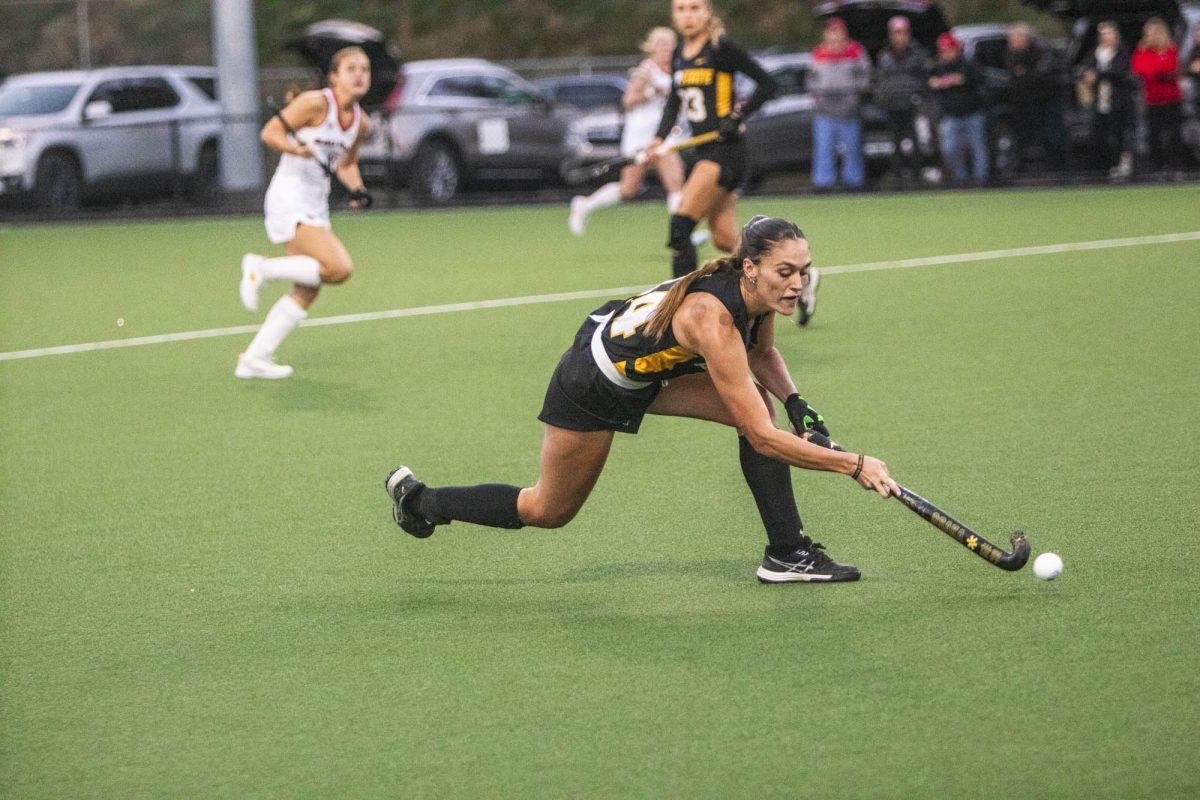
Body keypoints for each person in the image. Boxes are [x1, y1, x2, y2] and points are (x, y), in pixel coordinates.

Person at [384, 216, 901, 584]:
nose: (796, 284)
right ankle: (421, 501)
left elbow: (763, 358)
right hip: (592, 383)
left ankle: (787, 553)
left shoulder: (759, 297)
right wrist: (851, 464)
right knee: (547, 508)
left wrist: (797, 404)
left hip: (647, 367)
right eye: (784, 272)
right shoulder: (713, 320)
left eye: (803, 270)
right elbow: (765, 441)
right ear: (749, 269)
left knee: (762, 411)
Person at [235, 46, 372, 379]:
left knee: (308, 289)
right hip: (289, 198)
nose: (359, 75)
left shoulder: (360, 122)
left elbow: (347, 163)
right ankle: (261, 268)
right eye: (351, 68)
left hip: (316, 205)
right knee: (339, 268)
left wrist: (358, 190)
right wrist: (295, 147)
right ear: (334, 76)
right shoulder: (316, 103)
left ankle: (254, 359)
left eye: (365, 70)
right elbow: (270, 132)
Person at [647, 1, 778, 281]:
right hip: (704, 150)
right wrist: (658, 138)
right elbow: (674, 101)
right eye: (681, 9)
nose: (688, 15)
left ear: (708, 12)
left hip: (726, 152)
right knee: (724, 239)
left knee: (680, 228)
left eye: (695, 8)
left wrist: (738, 115)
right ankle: (788, 275)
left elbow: (768, 83)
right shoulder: (679, 54)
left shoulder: (721, 49)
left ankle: (683, 309)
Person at [568, 28, 689, 237]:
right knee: (628, 188)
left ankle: (682, 235)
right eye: (661, 44)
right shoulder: (646, 71)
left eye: (670, 44)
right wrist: (651, 92)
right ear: (651, 47)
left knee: (676, 183)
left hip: (663, 135)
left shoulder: (677, 71)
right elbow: (628, 101)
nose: (666, 48)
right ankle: (584, 204)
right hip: (641, 135)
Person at [810, 17, 871, 191]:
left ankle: (854, 182)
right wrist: (817, 94)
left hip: (849, 110)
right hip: (825, 110)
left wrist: (855, 93)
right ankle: (823, 184)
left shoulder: (856, 51)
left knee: (852, 149)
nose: (835, 35)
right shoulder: (819, 53)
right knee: (824, 149)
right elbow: (811, 79)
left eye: (838, 31)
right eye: (832, 31)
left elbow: (865, 76)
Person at [874, 15, 932, 185]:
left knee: (916, 142)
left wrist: (920, 98)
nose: (899, 37)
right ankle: (898, 178)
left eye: (902, 33)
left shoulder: (918, 54)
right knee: (895, 144)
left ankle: (917, 177)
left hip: (913, 105)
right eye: (896, 33)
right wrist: (883, 98)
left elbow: (924, 79)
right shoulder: (884, 56)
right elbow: (879, 80)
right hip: (893, 106)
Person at [928, 32, 989, 184]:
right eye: (943, 50)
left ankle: (980, 181)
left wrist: (964, 80)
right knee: (949, 148)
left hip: (972, 113)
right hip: (950, 115)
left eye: (949, 49)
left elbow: (981, 80)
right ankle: (961, 179)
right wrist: (934, 84)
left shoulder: (968, 64)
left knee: (978, 148)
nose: (946, 53)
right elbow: (928, 84)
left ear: (956, 49)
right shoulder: (938, 67)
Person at [1004, 22, 1065, 172]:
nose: (1010, 41)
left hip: (1048, 101)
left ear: (1023, 38)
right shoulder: (1013, 54)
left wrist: (1026, 75)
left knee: (1053, 135)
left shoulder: (1042, 51)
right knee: (1031, 136)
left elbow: (1040, 75)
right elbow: (1014, 74)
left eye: (1013, 38)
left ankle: (1058, 168)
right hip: (1028, 102)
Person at [1131, 17, 1187, 176]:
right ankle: (1158, 168)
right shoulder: (1142, 51)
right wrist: (1158, 72)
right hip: (1153, 100)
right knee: (1153, 135)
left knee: (1174, 134)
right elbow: (1140, 69)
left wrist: (1158, 71)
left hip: (1172, 99)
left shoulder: (1171, 49)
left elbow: (1172, 68)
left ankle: (1177, 167)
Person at [1077, 21, 1133, 177]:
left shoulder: (1121, 52)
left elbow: (1118, 73)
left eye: (1110, 33)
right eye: (1103, 34)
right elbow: (1084, 70)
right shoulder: (1095, 53)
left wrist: (1099, 75)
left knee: (1118, 135)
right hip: (1100, 101)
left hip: (1118, 101)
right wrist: (1088, 76)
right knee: (1099, 136)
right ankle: (1102, 167)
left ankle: (1121, 165)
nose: (1107, 37)